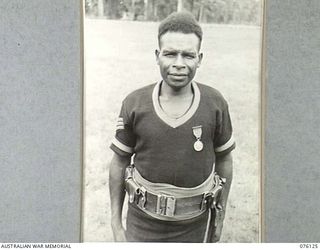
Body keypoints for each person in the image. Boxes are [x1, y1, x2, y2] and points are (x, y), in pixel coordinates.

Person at [109, 11, 235, 243]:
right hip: (142, 224)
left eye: (188, 55)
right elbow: (119, 162)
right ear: (157, 56)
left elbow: (225, 160)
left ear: (200, 58)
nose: (179, 64)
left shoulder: (215, 103)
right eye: (170, 54)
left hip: (195, 225)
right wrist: (117, 225)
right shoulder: (135, 103)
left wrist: (220, 216)